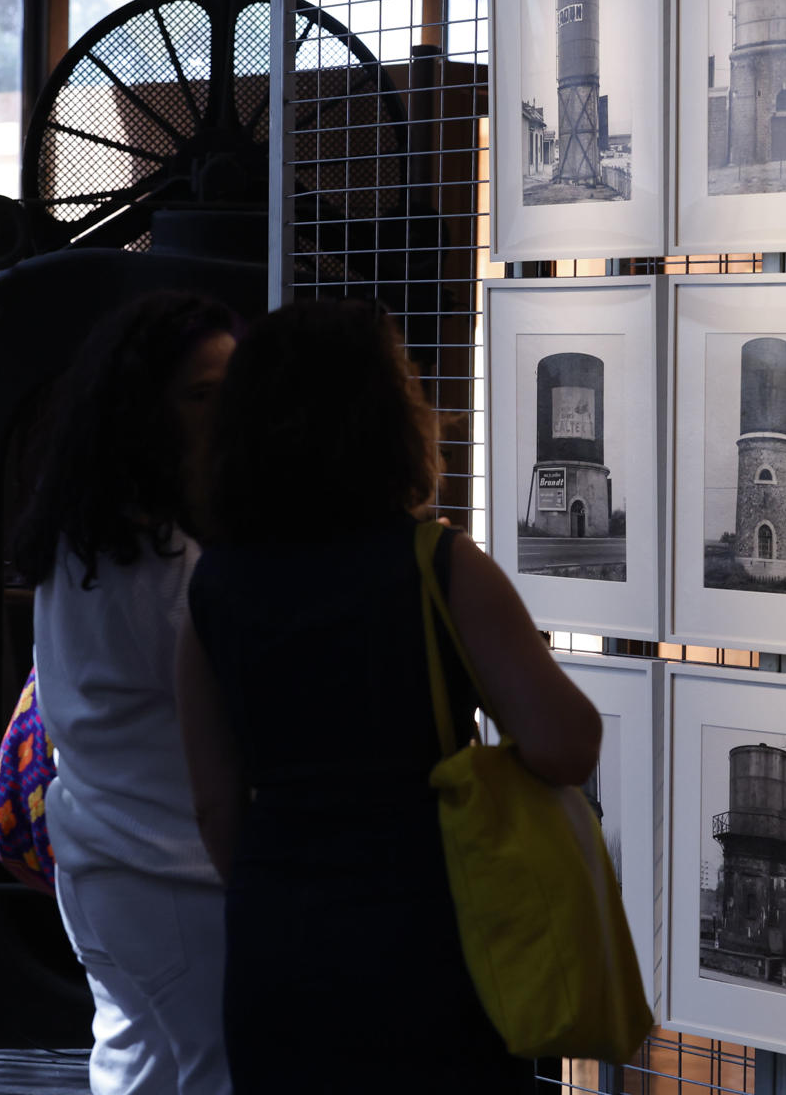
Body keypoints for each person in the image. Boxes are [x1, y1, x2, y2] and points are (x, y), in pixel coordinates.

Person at [178, 299, 601, 1091]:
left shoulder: (215, 586)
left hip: (277, 938)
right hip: (433, 928)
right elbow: (566, 744)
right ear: (383, 418)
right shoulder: (439, 566)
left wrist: (284, 893)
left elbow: (214, 805)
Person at [11, 291, 239, 1095]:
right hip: (175, 874)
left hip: (100, 861)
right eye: (205, 395)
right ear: (147, 414)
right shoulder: (177, 564)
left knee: (137, 1069)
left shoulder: (87, 537)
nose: (230, 415)